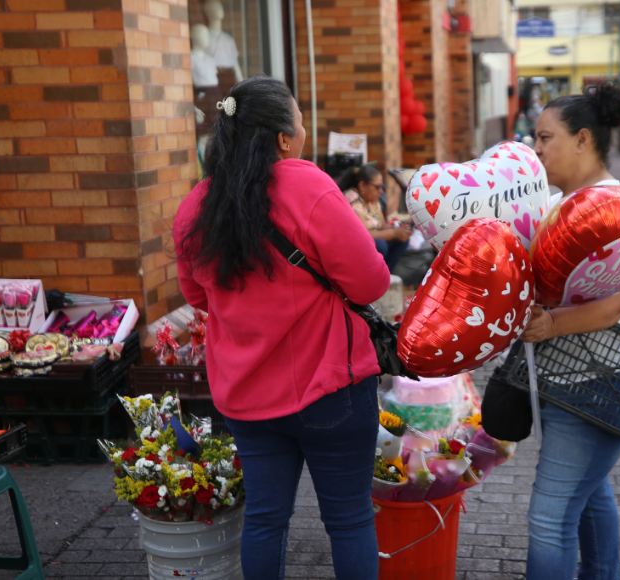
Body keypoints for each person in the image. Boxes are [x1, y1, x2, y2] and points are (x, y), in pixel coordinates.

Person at [172, 77, 390, 580]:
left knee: (266, 521)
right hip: (330, 388)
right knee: (351, 520)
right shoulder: (308, 184)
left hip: (246, 394)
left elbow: (197, 297)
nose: (305, 127)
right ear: (283, 138)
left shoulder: (194, 206)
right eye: (299, 118)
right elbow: (371, 282)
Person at [515, 81, 620, 580]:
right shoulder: (565, 200)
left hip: (594, 381)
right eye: (535, 137)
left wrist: (550, 324)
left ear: (583, 140)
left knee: (549, 519)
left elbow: (619, 302)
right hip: (576, 378)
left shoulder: (609, 206)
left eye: (546, 137)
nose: (537, 148)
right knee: (591, 496)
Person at [338, 164, 411, 271]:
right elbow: (363, 236)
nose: (381, 191)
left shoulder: (372, 200)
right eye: (377, 187)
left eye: (382, 186)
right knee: (380, 245)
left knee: (402, 240)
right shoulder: (352, 200)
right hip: (350, 247)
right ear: (362, 186)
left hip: (369, 242)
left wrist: (400, 229)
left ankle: (385, 275)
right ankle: (372, 277)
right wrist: (394, 233)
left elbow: (381, 226)